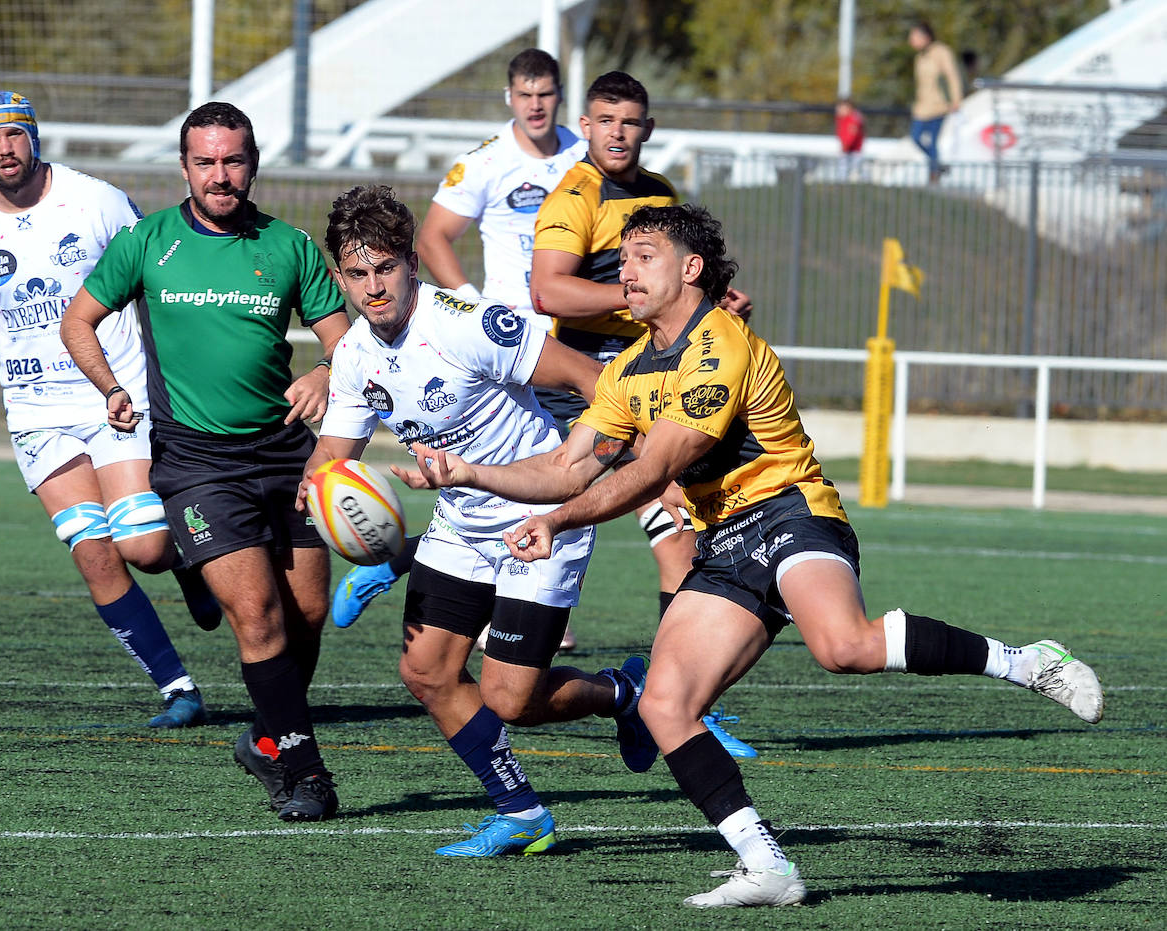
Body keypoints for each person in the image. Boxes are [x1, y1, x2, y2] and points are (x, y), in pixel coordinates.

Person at [399, 203, 1105, 907]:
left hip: (791, 510)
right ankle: (767, 865)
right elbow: (564, 465)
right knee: (667, 705)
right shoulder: (628, 373)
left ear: (691, 267)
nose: (625, 268)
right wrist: (466, 472)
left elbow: (655, 468)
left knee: (844, 646)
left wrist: (557, 519)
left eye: (643, 254)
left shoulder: (721, 343)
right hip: (726, 542)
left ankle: (1029, 662)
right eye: (623, 255)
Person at [301, 183, 657, 856]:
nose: (374, 287)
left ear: (411, 262)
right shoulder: (352, 356)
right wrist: (316, 493)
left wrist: (610, 461)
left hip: (540, 517)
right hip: (460, 524)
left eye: (385, 268)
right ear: (340, 276)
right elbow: (331, 460)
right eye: (357, 273)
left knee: (510, 697)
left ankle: (624, 692)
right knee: (428, 672)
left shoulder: (465, 322)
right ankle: (521, 812)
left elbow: (590, 377)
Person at [59, 101, 351, 822]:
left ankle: (266, 737)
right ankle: (303, 771)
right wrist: (111, 386)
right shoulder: (147, 241)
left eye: (234, 160)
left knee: (306, 615)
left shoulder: (289, 246)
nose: (221, 175)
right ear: (185, 167)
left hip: (289, 453)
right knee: (256, 616)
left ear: (252, 163)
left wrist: (322, 373)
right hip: (197, 463)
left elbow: (352, 343)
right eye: (206, 162)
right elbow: (79, 319)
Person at [0, 91, 217, 730]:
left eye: (14, 135)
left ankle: (185, 558)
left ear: (34, 138)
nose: (5, 149)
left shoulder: (97, 201)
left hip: (115, 393)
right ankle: (176, 687)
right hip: (36, 410)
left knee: (142, 546)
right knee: (93, 552)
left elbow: (156, 278)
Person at [529, 70, 757, 758]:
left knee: (678, 540)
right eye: (604, 120)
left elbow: (681, 280)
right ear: (585, 125)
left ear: (647, 127)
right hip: (585, 393)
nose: (617, 132)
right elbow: (547, 290)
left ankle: (675, 700)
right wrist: (632, 296)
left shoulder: (659, 195)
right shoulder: (575, 193)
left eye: (629, 120)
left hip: (648, 387)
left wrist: (716, 301)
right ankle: (408, 560)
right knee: (548, 538)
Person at [330, 49, 587, 649]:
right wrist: (471, 304)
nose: (536, 105)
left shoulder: (584, 159)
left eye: (546, 94)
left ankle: (668, 689)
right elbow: (437, 234)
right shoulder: (487, 163)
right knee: (432, 670)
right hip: (504, 332)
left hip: (566, 338)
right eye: (525, 94)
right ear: (509, 98)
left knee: (604, 466)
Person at [908, 20, 964, 183]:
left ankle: (934, 175)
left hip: (939, 106)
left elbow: (952, 76)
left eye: (915, 37)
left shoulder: (941, 51)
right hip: (922, 107)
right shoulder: (919, 57)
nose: (911, 40)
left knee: (932, 141)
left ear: (925, 37)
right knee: (916, 137)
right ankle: (937, 165)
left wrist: (956, 99)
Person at [834, 98, 865, 179]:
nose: (839, 110)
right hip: (847, 150)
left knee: (851, 173)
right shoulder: (842, 119)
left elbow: (852, 135)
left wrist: (846, 145)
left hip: (852, 151)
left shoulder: (853, 119)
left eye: (842, 108)